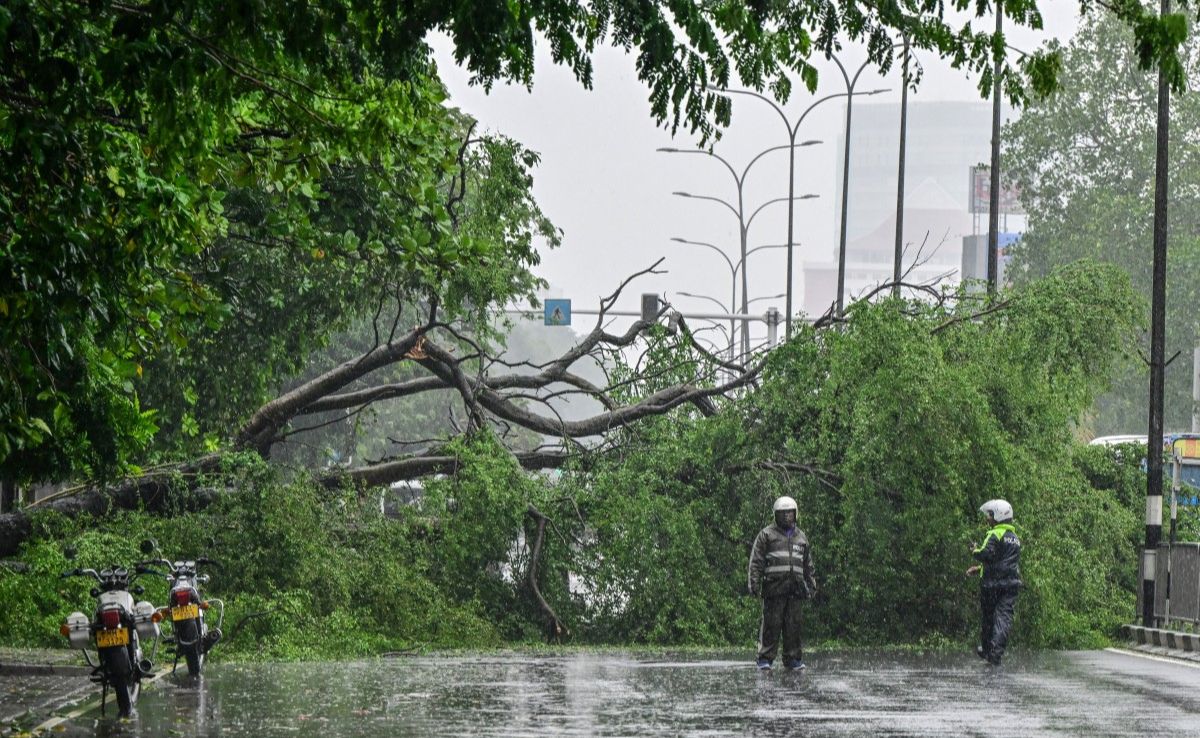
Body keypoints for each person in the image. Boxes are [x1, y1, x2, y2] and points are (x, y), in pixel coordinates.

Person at [748, 496, 817, 671]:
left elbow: (808, 564)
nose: (787, 516)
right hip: (774, 588)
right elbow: (756, 562)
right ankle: (765, 659)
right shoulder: (767, 535)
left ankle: (793, 659)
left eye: (790, 513)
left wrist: (811, 585)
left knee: (793, 626)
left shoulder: (801, 537)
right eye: (783, 513)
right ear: (776, 515)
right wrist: (754, 584)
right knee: (771, 625)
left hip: (795, 590)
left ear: (795, 514)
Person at [965, 499, 1022, 666]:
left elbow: (986, 554)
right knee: (1004, 618)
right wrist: (978, 569)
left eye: (990, 515)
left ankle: (988, 650)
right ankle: (996, 652)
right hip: (1011, 584)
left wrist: (974, 550)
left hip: (992, 585)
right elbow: (1002, 562)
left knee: (989, 618)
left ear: (998, 515)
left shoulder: (995, 533)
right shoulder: (1015, 538)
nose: (988, 518)